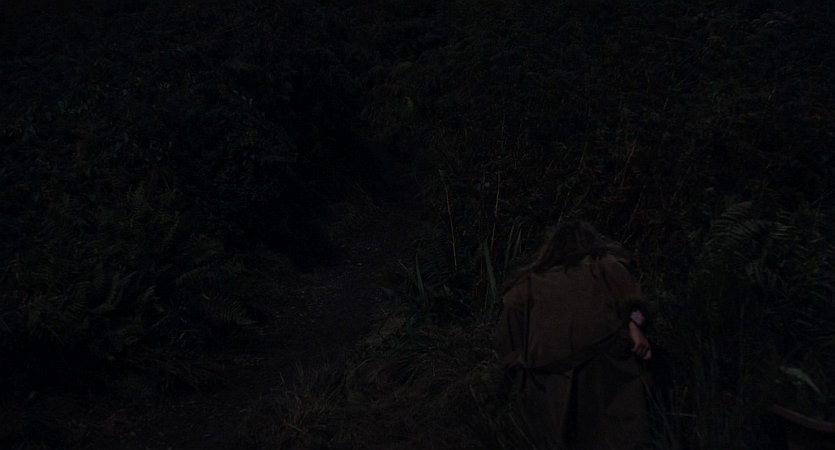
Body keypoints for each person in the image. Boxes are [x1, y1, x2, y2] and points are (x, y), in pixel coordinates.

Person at [495, 220, 652, 449]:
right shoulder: (605, 266)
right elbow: (637, 306)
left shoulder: (527, 285)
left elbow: (508, 343)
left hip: (557, 385)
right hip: (605, 374)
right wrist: (635, 325)